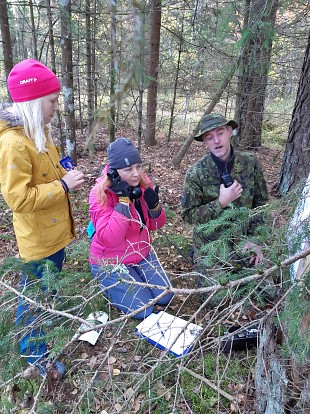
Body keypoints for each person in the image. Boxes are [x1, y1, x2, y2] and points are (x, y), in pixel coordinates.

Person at [0, 59, 85, 377]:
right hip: (38, 240)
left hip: (55, 233)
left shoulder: (39, 132)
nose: (56, 107)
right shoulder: (12, 144)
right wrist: (62, 185)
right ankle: (35, 358)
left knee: (47, 292)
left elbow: (53, 163)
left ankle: (45, 333)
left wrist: (68, 172)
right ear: (35, 101)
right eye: (52, 101)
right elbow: (18, 199)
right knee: (35, 297)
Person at [181, 113, 275, 306]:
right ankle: (199, 260)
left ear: (230, 132)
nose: (216, 140)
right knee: (217, 301)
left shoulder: (250, 164)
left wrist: (256, 240)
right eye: (209, 137)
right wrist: (221, 203)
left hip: (243, 241)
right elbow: (188, 215)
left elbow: (261, 204)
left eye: (220, 133)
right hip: (212, 246)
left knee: (267, 294)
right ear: (205, 142)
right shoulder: (196, 173)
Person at [89, 137, 173, 319]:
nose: (136, 174)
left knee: (166, 295)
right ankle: (106, 281)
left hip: (140, 252)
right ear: (114, 172)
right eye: (128, 169)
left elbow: (156, 225)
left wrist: (155, 207)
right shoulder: (99, 194)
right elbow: (110, 239)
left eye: (139, 166)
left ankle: (133, 277)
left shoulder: (142, 184)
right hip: (111, 260)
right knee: (143, 310)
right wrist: (123, 202)